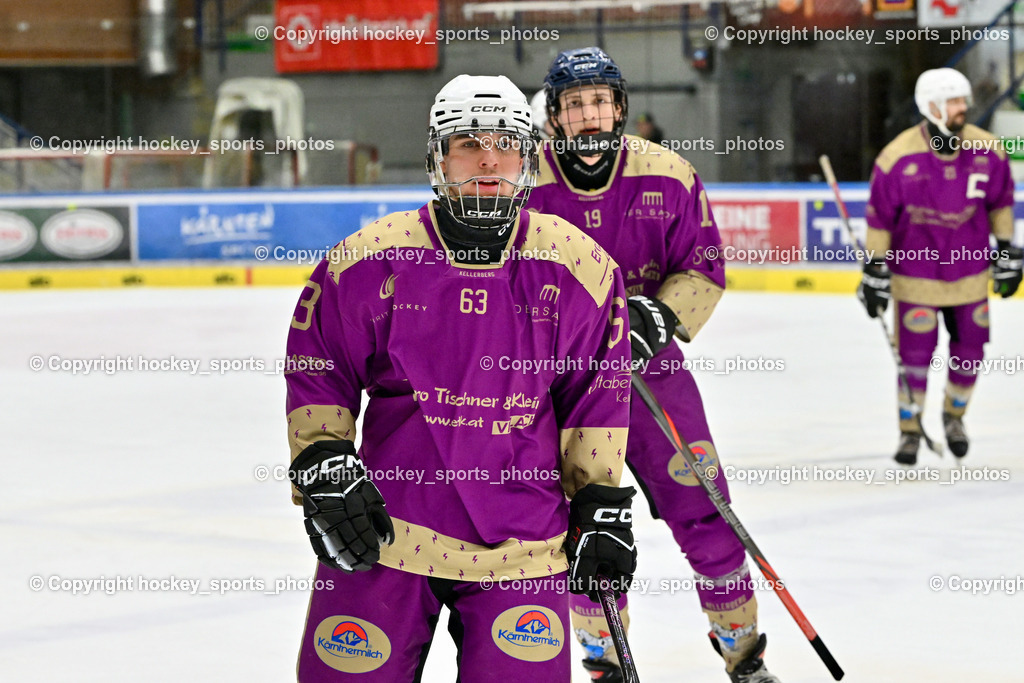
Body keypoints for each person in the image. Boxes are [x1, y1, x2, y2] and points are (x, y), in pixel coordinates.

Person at [283, 74, 637, 682]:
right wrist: (323, 461)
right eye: (469, 143)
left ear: (528, 158)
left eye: (506, 143)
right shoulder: (371, 258)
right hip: (387, 534)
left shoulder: (580, 268)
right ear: (438, 158)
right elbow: (321, 365)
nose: (489, 159)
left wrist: (598, 500)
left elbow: (596, 396)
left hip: (523, 546)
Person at [524, 47, 781, 683]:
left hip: (653, 379)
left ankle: (743, 654)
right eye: (575, 104)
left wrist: (661, 316)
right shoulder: (523, 183)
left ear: (620, 108)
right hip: (562, 390)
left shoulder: (668, 175)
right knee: (584, 531)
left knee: (706, 510)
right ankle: (604, 662)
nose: (589, 115)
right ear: (554, 115)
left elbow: (703, 265)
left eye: (600, 101)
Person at [859, 67, 1022, 465]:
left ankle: (954, 417)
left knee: (971, 351)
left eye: (964, 100)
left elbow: (1000, 204)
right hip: (915, 278)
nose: (963, 108)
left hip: (970, 276)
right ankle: (910, 429)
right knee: (914, 357)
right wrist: (875, 270)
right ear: (931, 107)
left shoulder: (989, 150)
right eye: (954, 102)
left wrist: (1006, 250)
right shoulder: (896, 158)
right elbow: (879, 220)